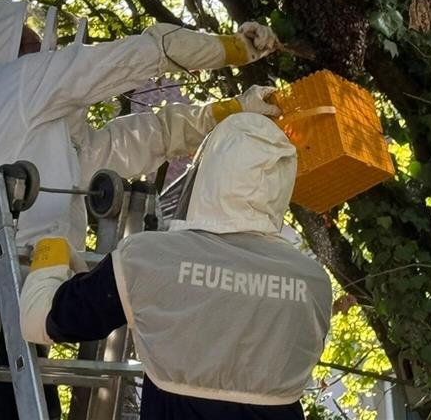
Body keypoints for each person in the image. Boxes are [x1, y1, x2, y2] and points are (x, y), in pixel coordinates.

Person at [0, 0, 282, 420]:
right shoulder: (8, 85)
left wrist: (232, 112)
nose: (47, 51)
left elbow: (149, 137)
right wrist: (229, 48)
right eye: (30, 44)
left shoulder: (59, 137)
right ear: (4, 53)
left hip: (9, 305)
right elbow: (125, 60)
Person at [20, 112, 333, 420]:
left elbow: (38, 321)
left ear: (209, 170)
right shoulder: (314, 281)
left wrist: (53, 250)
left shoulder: (150, 258)